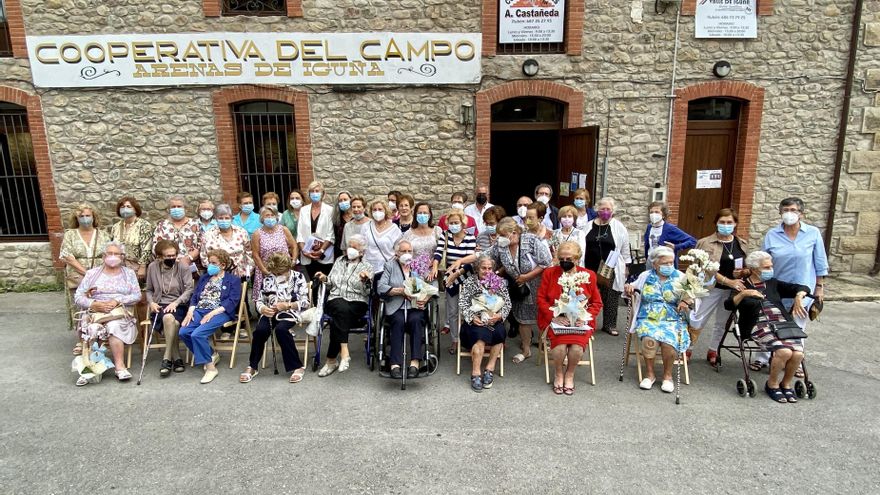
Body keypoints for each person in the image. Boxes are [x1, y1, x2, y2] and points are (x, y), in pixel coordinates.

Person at [752, 197, 829, 373]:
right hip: (777, 287)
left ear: (801, 213)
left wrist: (819, 287)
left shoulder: (813, 233)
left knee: (797, 325)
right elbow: (763, 259)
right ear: (780, 212)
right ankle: (763, 357)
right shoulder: (772, 234)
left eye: (793, 210)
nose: (789, 213)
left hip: (803, 288)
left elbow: (820, 261)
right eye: (785, 210)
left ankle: (795, 362)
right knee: (770, 321)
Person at [462, 217, 551, 364]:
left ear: (514, 232)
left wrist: (526, 276)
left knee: (542, 315)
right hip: (519, 286)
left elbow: (546, 262)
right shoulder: (501, 245)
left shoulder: (531, 240)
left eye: (503, 235)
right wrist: (461, 263)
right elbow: (482, 255)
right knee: (523, 318)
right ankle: (526, 350)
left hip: (537, 283)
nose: (500, 238)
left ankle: (546, 346)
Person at [726, 251, 811, 403]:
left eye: (771, 266)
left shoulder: (772, 283)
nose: (770, 270)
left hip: (782, 324)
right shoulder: (742, 284)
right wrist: (745, 294)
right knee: (784, 352)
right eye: (766, 267)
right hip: (758, 324)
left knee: (798, 354)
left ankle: (785, 384)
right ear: (754, 269)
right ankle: (772, 384)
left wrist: (798, 296)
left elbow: (802, 287)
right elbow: (728, 305)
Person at [537, 241, 602, 395]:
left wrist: (585, 318)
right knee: (560, 347)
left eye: (569, 259)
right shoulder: (550, 273)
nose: (565, 262)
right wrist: (554, 317)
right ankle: (559, 373)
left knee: (576, 348)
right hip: (556, 319)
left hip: (580, 321)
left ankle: (570, 374)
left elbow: (597, 302)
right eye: (562, 259)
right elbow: (541, 299)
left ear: (577, 259)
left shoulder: (588, 275)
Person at [624, 246, 691, 393]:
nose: (669, 266)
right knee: (650, 341)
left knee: (668, 343)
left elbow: (691, 294)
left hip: (671, 318)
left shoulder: (680, 277)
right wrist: (628, 287)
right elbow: (631, 288)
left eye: (671, 263)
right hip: (648, 317)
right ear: (654, 264)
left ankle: (667, 377)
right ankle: (650, 375)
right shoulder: (646, 276)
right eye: (664, 263)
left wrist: (685, 301)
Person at [73, 241, 141, 385]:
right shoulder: (92, 274)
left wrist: (117, 300)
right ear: (103, 256)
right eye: (109, 253)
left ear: (122, 257)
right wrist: (94, 304)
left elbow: (137, 296)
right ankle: (88, 368)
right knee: (92, 328)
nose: (113, 256)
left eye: (116, 254)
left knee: (114, 326)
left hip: (118, 312)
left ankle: (120, 367)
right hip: (96, 313)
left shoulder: (129, 274)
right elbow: (78, 296)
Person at [688, 208, 749, 365]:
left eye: (729, 222)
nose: (726, 225)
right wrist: (727, 280)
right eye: (722, 222)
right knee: (697, 319)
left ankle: (713, 349)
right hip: (710, 288)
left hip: (731, 291)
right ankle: (687, 348)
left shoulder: (741, 244)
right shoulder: (705, 243)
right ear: (716, 223)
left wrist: (742, 273)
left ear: (735, 224)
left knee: (722, 322)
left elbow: (745, 266)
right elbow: (703, 267)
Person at [240, 252, 310, 384]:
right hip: (270, 312)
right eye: (275, 272)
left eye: (281, 272)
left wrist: (288, 305)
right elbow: (259, 300)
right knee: (260, 330)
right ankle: (252, 366)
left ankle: (297, 366)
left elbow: (305, 302)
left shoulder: (298, 277)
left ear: (288, 268)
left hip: (290, 312)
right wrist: (262, 309)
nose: (278, 275)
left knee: (281, 330)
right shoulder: (267, 279)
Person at [179, 249, 243, 384]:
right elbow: (196, 296)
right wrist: (190, 311)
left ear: (223, 265)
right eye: (209, 262)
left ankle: (210, 368)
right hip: (199, 310)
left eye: (214, 263)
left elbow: (232, 301)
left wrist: (212, 313)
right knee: (184, 332)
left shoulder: (233, 280)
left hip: (220, 312)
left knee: (197, 334)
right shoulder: (204, 278)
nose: (210, 265)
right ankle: (211, 354)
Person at [314, 234, 374, 377]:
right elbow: (331, 283)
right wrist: (324, 278)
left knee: (338, 318)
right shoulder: (339, 261)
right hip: (336, 298)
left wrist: (366, 281)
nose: (350, 249)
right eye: (349, 246)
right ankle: (344, 351)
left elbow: (368, 292)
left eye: (354, 247)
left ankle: (331, 361)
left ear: (362, 251)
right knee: (340, 307)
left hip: (357, 302)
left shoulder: (367, 266)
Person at [61, 203, 110, 353]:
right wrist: (87, 273)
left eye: (88, 216)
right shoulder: (70, 234)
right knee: (81, 307)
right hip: (78, 275)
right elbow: (67, 256)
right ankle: (81, 340)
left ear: (94, 217)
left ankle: (101, 336)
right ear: (76, 218)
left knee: (99, 305)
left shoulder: (103, 234)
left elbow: (109, 253)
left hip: (100, 275)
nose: (85, 219)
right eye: (81, 216)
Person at [458, 254, 511, 392]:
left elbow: (507, 303)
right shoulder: (470, 282)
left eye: (489, 268)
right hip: (476, 320)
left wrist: (499, 315)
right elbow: (463, 303)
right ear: (477, 269)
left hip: (494, 320)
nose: (487, 271)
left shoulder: (498, 281)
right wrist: (471, 316)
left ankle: (490, 368)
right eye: (483, 268)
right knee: (479, 336)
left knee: (499, 332)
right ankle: (476, 372)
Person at [378, 240, 427, 379]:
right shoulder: (390, 265)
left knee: (416, 320)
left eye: (409, 251)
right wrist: (400, 291)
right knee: (398, 321)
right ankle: (395, 364)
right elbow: (381, 287)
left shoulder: (418, 265)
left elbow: (430, 285)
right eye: (403, 251)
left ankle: (415, 363)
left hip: (415, 305)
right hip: (396, 305)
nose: (407, 254)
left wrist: (425, 298)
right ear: (397, 253)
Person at [583, 197, 631, 336]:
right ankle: (586, 323)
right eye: (602, 209)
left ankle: (609, 325)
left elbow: (625, 248)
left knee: (611, 296)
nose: (605, 211)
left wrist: (627, 266)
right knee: (587, 296)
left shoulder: (618, 226)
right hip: (590, 266)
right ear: (597, 210)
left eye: (608, 209)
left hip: (610, 267)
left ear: (613, 211)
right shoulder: (589, 225)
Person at [145, 240, 194, 377]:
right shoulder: (152, 268)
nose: (172, 258)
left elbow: (189, 289)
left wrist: (176, 303)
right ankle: (177, 357)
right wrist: (151, 303)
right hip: (159, 305)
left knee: (169, 318)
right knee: (171, 321)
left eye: (174, 255)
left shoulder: (182, 267)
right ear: (159, 256)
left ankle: (167, 357)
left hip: (179, 305)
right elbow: (148, 290)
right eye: (168, 256)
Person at [433, 208, 478, 352]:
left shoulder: (470, 237)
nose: (453, 225)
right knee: (452, 311)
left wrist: (457, 270)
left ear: (462, 223)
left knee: (468, 309)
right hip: (449, 276)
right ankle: (455, 340)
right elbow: (439, 253)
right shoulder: (445, 236)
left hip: (466, 275)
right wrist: (435, 266)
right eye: (451, 223)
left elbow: (471, 260)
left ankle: (469, 339)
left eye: (456, 222)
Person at [252, 206, 298, 302]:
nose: (270, 218)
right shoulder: (257, 234)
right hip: (266, 271)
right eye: (267, 216)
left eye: (272, 215)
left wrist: (293, 260)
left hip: (284, 270)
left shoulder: (283, 230)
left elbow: (294, 246)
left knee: (287, 297)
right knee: (267, 299)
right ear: (262, 218)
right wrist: (265, 271)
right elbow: (255, 255)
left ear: (276, 216)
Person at [199, 204, 253, 280]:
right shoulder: (208, 235)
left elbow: (249, 253)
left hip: (240, 274)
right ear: (216, 219)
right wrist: (216, 270)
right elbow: (204, 257)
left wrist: (248, 271)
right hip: (217, 276)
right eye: (221, 218)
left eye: (227, 218)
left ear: (231, 218)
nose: (224, 220)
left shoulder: (241, 232)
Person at [297, 180, 336, 283]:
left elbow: (330, 234)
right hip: (307, 255)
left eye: (317, 191)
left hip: (324, 254)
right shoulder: (303, 210)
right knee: (311, 285)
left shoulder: (329, 210)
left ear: (322, 193)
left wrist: (321, 250)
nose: (315, 193)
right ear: (309, 194)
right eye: (312, 191)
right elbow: (300, 233)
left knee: (324, 284)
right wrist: (304, 251)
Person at [151, 195, 201, 272]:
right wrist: (172, 260)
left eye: (179, 206)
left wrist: (190, 257)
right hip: (168, 268)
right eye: (173, 207)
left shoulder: (195, 224)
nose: (176, 209)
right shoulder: (162, 225)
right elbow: (156, 247)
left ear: (186, 209)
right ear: (168, 209)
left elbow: (201, 245)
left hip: (190, 268)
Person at [109, 196, 152, 282]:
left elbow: (147, 247)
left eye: (128, 207)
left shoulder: (144, 225)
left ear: (135, 209)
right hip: (119, 267)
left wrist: (142, 266)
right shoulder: (115, 227)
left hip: (137, 267)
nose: (125, 209)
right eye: (122, 207)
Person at [362, 198, 403, 285]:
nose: (377, 212)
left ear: (385, 211)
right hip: (367, 268)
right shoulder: (366, 226)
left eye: (380, 209)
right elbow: (361, 246)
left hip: (386, 269)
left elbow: (399, 249)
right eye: (374, 210)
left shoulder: (394, 228)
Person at [642, 201, 696, 268]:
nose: (653, 214)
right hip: (651, 262)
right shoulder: (649, 227)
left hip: (665, 264)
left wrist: (676, 247)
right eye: (651, 212)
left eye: (657, 212)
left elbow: (693, 241)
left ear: (663, 215)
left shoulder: (670, 229)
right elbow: (648, 245)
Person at [332, 190, 354, 256]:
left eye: (345, 199)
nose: (343, 202)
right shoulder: (337, 219)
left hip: (358, 252)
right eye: (340, 201)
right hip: (341, 253)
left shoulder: (358, 216)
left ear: (351, 200)